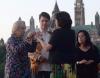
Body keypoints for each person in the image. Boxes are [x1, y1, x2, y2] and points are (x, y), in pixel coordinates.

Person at [37, 11, 76, 78]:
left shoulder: (56, 32)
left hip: (58, 65)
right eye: (42, 21)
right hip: (70, 65)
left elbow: (47, 48)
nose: (55, 22)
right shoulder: (72, 32)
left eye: (56, 20)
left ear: (60, 21)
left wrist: (40, 39)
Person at [35, 12, 51, 78]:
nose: (44, 23)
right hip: (36, 67)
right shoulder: (34, 35)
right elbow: (29, 51)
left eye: (46, 21)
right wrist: (38, 57)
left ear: (49, 22)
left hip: (49, 68)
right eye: (42, 21)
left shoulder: (52, 35)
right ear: (39, 21)